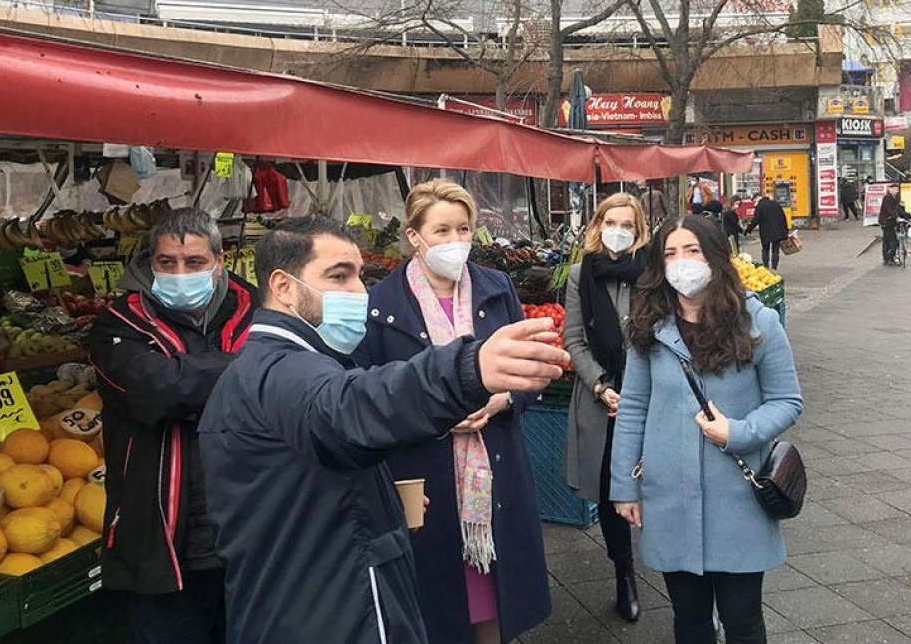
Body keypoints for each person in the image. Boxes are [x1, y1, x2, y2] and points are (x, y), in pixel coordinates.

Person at [199, 216, 569, 644]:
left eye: (360, 275)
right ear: (283, 287)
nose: (358, 291)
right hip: (321, 617)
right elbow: (349, 409)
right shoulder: (283, 370)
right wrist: (467, 370)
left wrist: (379, 499)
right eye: (339, 276)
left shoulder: (282, 363)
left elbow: (300, 487)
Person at [353, 181, 550, 644]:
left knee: (493, 604)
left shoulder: (496, 288)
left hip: (494, 475)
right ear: (414, 236)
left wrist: (504, 400)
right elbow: (364, 396)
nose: (455, 241)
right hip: (426, 479)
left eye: (464, 228)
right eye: (441, 230)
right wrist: (432, 407)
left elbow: (534, 367)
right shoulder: (381, 306)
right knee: (436, 606)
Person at [610, 215, 803, 644]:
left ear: (715, 256)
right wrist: (623, 484)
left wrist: (738, 431)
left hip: (737, 496)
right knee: (689, 619)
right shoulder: (649, 327)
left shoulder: (758, 322)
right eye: (670, 253)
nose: (681, 262)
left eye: (691, 250)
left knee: (742, 619)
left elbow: (787, 401)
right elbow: (634, 408)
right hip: (670, 496)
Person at [88, 208, 256, 644]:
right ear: (151, 262)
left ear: (219, 260)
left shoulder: (255, 309)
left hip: (250, 531)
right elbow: (158, 393)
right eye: (167, 263)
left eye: (195, 262)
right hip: (159, 532)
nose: (180, 273)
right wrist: (248, 369)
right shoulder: (117, 324)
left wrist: (187, 375)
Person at [561, 193, 650, 623]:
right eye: (612, 221)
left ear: (639, 229)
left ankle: (683, 574)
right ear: (598, 224)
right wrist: (599, 384)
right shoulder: (582, 275)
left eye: (627, 224)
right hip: (603, 398)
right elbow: (573, 339)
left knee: (659, 482)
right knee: (614, 488)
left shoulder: (653, 273)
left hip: (649, 396)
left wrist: (640, 388)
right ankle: (624, 574)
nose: (619, 230)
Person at [744, 192, 789, 271]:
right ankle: (774, 269)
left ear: (757, 198)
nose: (755, 203)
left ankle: (766, 267)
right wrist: (785, 231)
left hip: (766, 232)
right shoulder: (775, 204)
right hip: (778, 231)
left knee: (765, 250)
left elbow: (756, 220)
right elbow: (783, 217)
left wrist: (749, 229)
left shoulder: (760, 206)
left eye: (754, 201)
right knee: (775, 250)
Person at [879, 182, 911, 266]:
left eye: (897, 189)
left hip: (890, 222)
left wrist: (908, 216)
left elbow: (898, 210)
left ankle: (886, 259)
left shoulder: (894, 198)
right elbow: (890, 210)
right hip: (886, 222)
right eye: (894, 189)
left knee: (886, 241)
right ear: (889, 189)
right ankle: (890, 258)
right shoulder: (887, 198)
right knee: (894, 241)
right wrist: (897, 218)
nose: (896, 191)